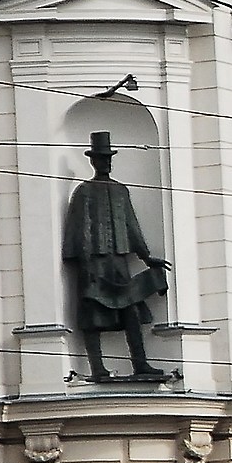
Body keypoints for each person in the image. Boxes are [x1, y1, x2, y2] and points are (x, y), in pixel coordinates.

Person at [64, 132, 172, 381]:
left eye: (108, 158)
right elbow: (79, 229)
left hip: (118, 262)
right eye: (101, 159)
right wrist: (85, 262)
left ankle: (140, 363)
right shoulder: (84, 192)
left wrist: (147, 258)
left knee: (131, 311)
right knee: (92, 312)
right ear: (93, 162)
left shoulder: (120, 191)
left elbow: (131, 226)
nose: (106, 163)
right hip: (94, 263)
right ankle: (97, 367)